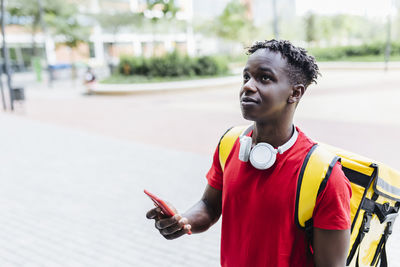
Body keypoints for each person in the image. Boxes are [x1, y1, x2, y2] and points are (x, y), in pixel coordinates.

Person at [146, 39, 352, 267]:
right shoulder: (230, 142)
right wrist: (183, 221)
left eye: (264, 78)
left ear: (295, 93)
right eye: (246, 77)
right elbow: (209, 206)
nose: (247, 86)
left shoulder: (325, 174)